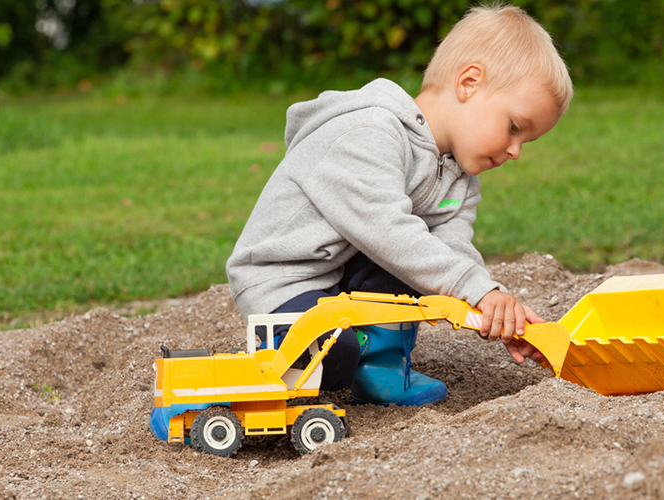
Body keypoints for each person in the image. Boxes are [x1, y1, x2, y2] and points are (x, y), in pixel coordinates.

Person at [225, 4, 573, 407]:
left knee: (423, 262)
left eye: (525, 142)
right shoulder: (369, 131)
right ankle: (337, 357)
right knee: (334, 360)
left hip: (343, 272)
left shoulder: (460, 177)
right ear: (469, 83)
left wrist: (493, 306)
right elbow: (388, 233)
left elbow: (450, 252)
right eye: (514, 127)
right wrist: (474, 289)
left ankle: (381, 366)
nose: (515, 151)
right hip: (284, 279)